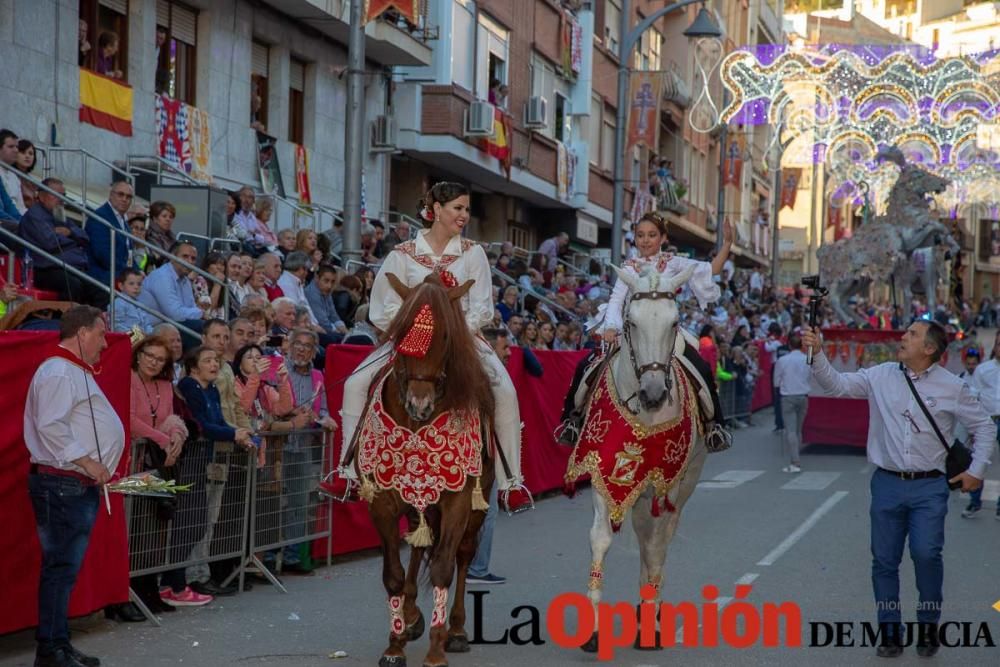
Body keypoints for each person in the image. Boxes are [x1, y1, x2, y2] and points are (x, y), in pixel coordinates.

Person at [802, 321, 994, 657]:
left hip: (930, 487)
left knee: (926, 554)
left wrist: (976, 471)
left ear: (930, 349)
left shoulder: (953, 387)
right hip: (887, 484)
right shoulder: (880, 375)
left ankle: (928, 625)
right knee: (885, 561)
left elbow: (984, 427)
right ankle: (890, 631)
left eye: (912, 334)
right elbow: (837, 386)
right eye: (905, 333)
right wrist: (817, 352)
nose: (902, 338)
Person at [339, 182, 525, 496]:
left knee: (505, 391)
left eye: (466, 209)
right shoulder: (402, 255)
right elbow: (381, 308)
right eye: (457, 208)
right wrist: (412, 331)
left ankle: (511, 482)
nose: (463, 215)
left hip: (463, 339)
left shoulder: (473, 253)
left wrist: (450, 333)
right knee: (354, 384)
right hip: (408, 341)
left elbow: (482, 307)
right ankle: (347, 471)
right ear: (437, 210)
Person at [24, 305, 125, 667]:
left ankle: (58, 644)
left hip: (72, 485)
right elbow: (51, 426)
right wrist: (87, 461)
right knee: (60, 569)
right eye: (100, 333)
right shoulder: (57, 370)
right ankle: (51, 649)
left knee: (64, 570)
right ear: (82, 332)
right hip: (63, 483)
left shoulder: (68, 370)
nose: (104, 342)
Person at [466, 327, 512, 585]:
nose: (509, 353)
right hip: (478, 455)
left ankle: (475, 566)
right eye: (504, 348)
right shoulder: (484, 376)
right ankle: (477, 568)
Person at [17, 177, 101, 305]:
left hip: (70, 267)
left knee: (100, 288)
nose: (61, 199)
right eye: (56, 195)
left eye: (63, 195)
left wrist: (70, 233)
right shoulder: (35, 216)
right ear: (41, 196)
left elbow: (84, 237)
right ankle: (68, 322)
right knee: (73, 285)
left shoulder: (59, 215)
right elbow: (50, 242)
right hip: (45, 269)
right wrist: (73, 240)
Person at [139, 241, 209, 340]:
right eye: (185, 256)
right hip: (150, 328)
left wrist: (199, 313)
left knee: (209, 328)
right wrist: (200, 313)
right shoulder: (162, 276)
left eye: (193, 258)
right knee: (204, 330)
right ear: (172, 257)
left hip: (171, 325)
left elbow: (190, 308)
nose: (190, 261)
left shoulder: (185, 281)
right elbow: (175, 314)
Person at [967, 336, 1000, 519]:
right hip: (987, 420)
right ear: (994, 346)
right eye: (999, 344)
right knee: (979, 461)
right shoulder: (983, 370)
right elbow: (973, 397)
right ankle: (975, 502)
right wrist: (973, 426)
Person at [87, 180, 134, 307]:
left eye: (128, 197)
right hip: (103, 276)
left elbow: (129, 254)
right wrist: (128, 273)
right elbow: (102, 254)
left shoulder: (123, 221)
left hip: (120, 273)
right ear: (111, 195)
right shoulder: (100, 217)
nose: (124, 199)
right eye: (120, 194)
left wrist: (138, 271)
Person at [772, 333, 810, 473]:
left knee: (791, 430)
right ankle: (796, 456)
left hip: (788, 396)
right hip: (803, 395)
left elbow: (776, 381)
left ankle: (795, 461)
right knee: (798, 429)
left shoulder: (782, 360)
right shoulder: (807, 359)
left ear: (789, 345)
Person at [305, 265, 347, 336]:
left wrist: (343, 328)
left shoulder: (326, 292)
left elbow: (334, 316)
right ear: (317, 278)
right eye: (326, 281)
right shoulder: (311, 293)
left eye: (332, 282)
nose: (329, 286)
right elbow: (322, 321)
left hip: (327, 328)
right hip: (316, 331)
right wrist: (338, 331)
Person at [112, 268, 155, 334]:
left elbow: (147, 325)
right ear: (121, 286)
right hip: (127, 339)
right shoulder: (118, 303)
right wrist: (136, 333)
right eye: (131, 284)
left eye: (139, 284)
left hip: (142, 338)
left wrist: (153, 334)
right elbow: (116, 326)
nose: (136, 287)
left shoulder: (140, 304)